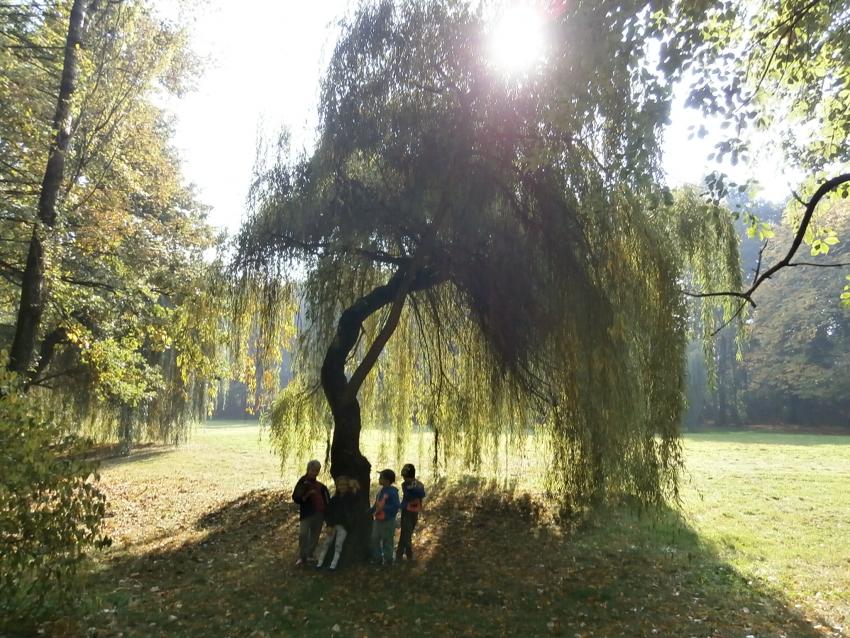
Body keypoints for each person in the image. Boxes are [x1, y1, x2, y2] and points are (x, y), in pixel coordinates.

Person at [291, 459, 329, 566]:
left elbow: (327, 500)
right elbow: (296, 497)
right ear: (308, 470)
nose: (314, 473)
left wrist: (326, 514)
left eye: (317, 471)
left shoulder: (321, 487)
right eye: (313, 470)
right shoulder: (302, 482)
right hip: (307, 514)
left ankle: (309, 555)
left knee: (315, 535)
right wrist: (306, 495)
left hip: (319, 513)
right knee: (303, 534)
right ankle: (302, 556)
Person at [315, 476, 358, 570]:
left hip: (344, 526)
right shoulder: (334, 499)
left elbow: (353, 508)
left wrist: (354, 487)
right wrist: (329, 525)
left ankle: (333, 565)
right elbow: (329, 512)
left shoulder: (351, 498)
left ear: (347, 486)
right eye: (340, 485)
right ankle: (319, 563)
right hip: (333, 525)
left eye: (344, 485)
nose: (342, 487)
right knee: (326, 543)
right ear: (337, 486)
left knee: (338, 545)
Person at [396, 463, 425, 562]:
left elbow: (422, 494)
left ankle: (400, 555)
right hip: (406, 511)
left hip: (414, 512)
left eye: (406, 477)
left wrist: (414, 488)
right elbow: (408, 496)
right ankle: (408, 556)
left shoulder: (419, 484)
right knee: (406, 534)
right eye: (404, 477)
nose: (405, 479)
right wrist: (412, 489)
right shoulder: (404, 485)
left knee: (407, 533)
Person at [370, 468, 400, 565]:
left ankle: (388, 559)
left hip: (388, 521)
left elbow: (396, 506)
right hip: (378, 520)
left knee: (387, 540)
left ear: (387, 480)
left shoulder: (392, 492)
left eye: (381, 477)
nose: (379, 479)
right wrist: (370, 511)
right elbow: (376, 505)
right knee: (375, 538)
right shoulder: (380, 491)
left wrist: (384, 508)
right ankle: (377, 558)